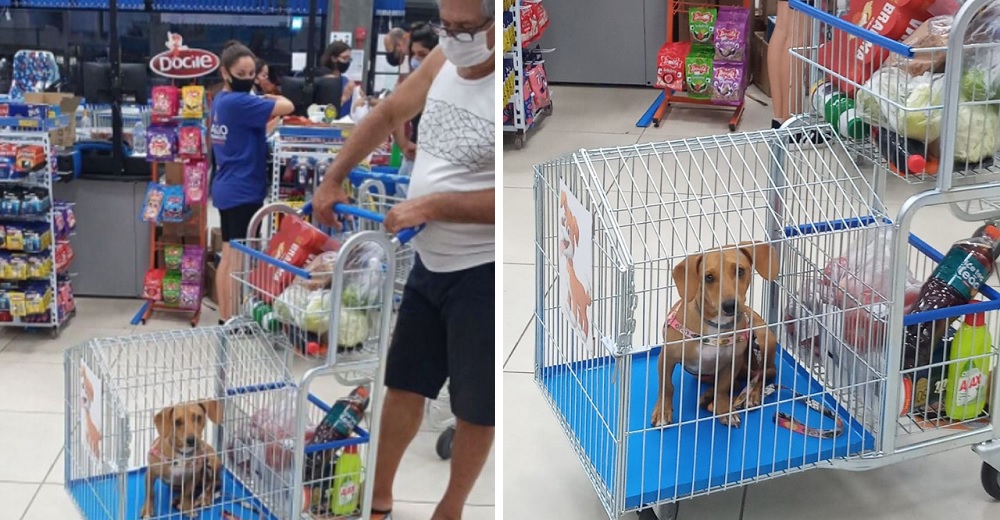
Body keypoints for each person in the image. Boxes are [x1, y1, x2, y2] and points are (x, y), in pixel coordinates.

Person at [312, 0, 495, 518]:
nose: (455, 36)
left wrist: (433, 204)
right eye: (447, 25)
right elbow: (390, 112)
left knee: (476, 406)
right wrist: (333, 175)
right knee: (404, 383)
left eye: (467, 27)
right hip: (427, 263)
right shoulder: (442, 59)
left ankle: (451, 507)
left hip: (483, 273)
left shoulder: (506, 84)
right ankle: (378, 494)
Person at [210, 43, 294, 323]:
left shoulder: (221, 100)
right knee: (236, 259)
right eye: (241, 73)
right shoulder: (238, 101)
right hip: (241, 189)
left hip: (227, 185)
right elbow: (287, 105)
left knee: (229, 253)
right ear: (225, 72)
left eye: (251, 73)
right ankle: (230, 319)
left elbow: (243, 132)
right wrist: (265, 94)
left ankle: (227, 316)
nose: (247, 78)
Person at [392, 21, 439, 179]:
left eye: (423, 54)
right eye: (414, 54)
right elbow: (394, 111)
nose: (416, 60)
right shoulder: (413, 83)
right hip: (414, 157)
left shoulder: (447, 82)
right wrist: (403, 144)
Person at [317, 41, 357, 116]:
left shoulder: (345, 80)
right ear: (334, 58)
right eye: (344, 58)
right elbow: (328, 112)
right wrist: (344, 97)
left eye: (349, 59)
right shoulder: (324, 80)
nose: (347, 62)